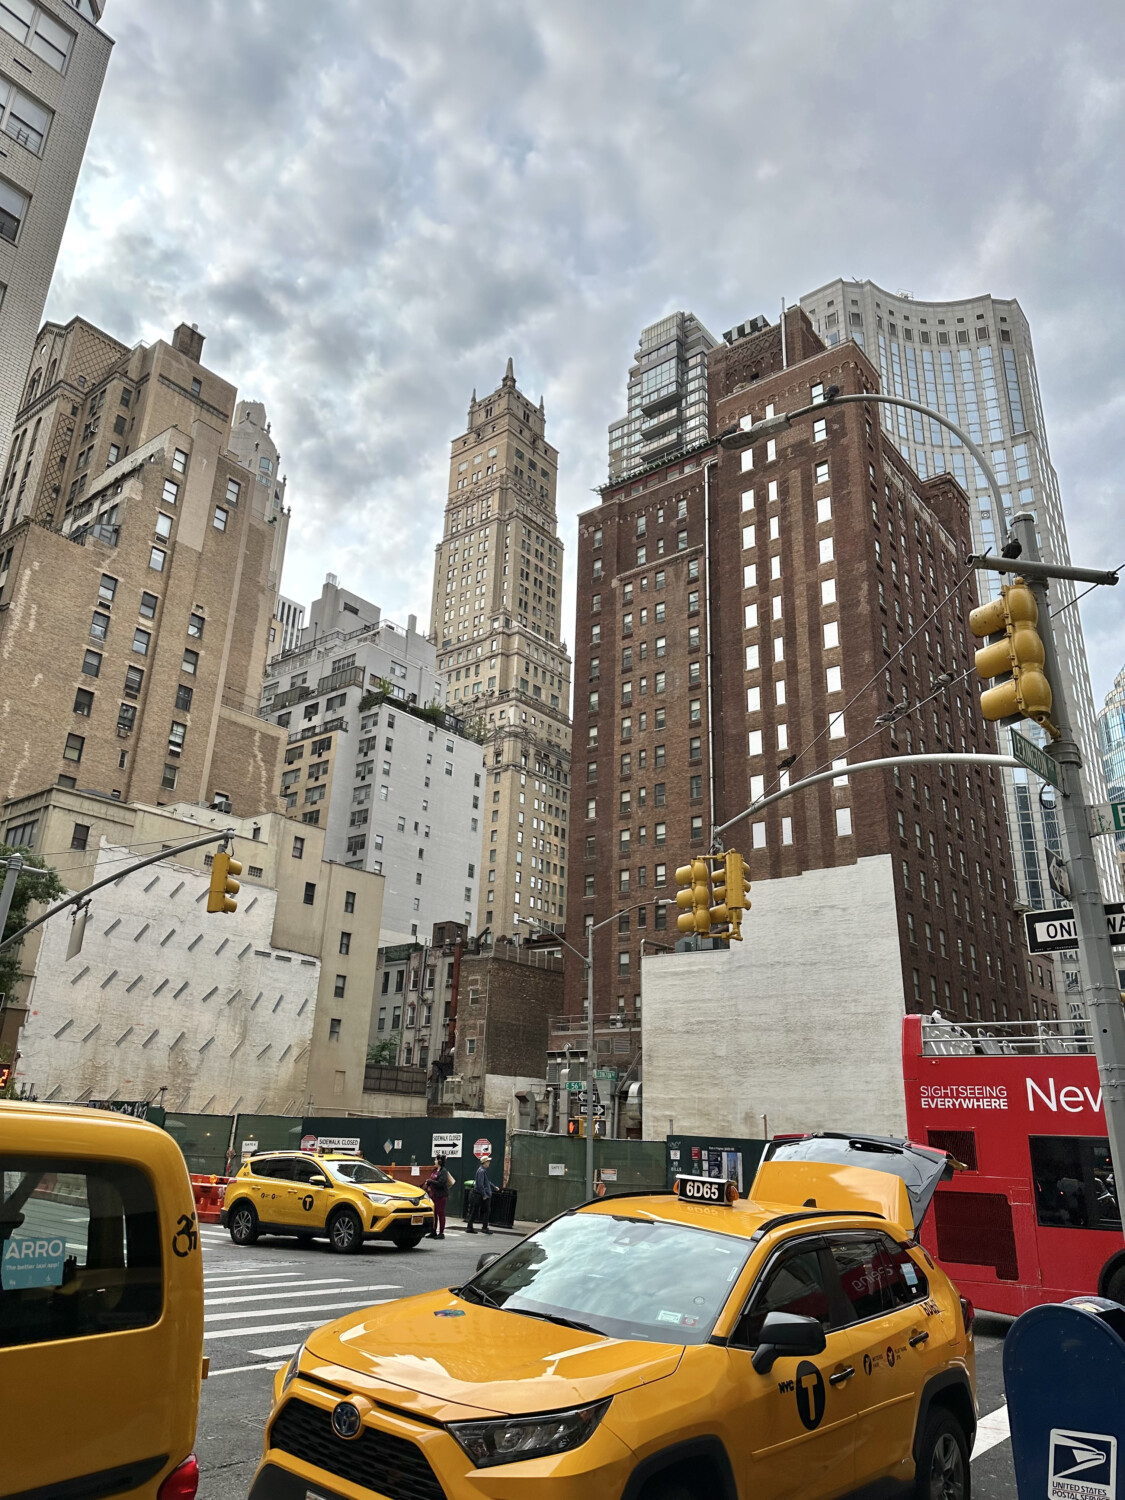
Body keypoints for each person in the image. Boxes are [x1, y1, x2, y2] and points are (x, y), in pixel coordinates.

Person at [465, 1152, 495, 1234]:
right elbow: (481, 1184)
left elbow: (486, 1182)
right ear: (484, 1162)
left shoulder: (482, 1170)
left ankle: (469, 1227)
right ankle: (484, 1228)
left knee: (475, 1211)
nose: (489, 1163)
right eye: (488, 1161)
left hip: (479, 1194)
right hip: (481, 1195)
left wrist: (494, 1186)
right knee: (486, 1211)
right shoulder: (482, 1171)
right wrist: (484, 1195)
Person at [424, 1156, 453, 1240]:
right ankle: (433, 1231)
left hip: (441, 1195)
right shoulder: (434, 1170)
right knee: (434, 1214)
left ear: (439, 1161)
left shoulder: (443, 1171)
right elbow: (432, 1180)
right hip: (433, 1195)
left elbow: (441, 1183)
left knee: (441, 1213)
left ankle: (441, 1232)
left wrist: (431, 1181)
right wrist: (428, 1183)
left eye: (436, 1160)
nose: (434, 1161)